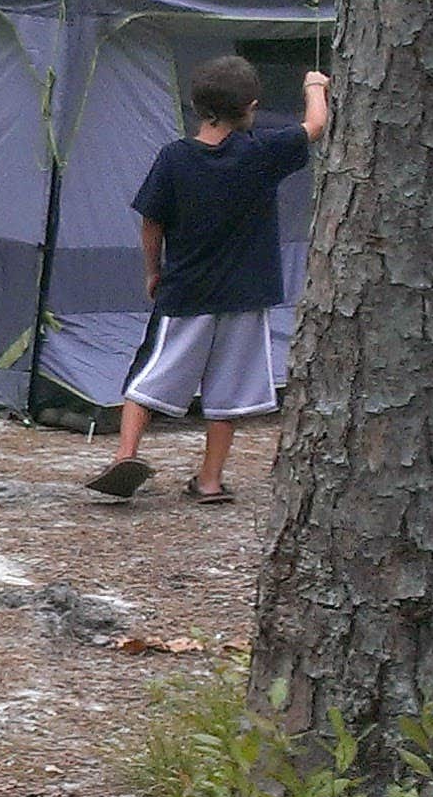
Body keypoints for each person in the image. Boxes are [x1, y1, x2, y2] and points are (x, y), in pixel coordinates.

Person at [86, 55, 332, 502]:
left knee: (149, 376)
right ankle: (210, 481)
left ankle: (125, 457)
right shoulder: (261, 153)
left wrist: (153, 272)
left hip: (186, 292)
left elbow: (151, 224)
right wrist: (314, 86)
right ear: (251, 107)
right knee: (228, 393)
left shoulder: (175, 158)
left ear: (197, 106)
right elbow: (315, 125)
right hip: (245, 294)